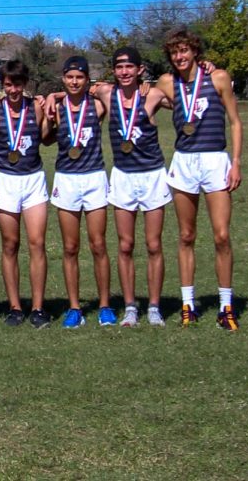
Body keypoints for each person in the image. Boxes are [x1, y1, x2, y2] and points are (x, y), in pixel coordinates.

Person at [155, 27, 243, 330]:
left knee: (221, 235)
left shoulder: (217, 77)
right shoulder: (167, 82)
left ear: (195, 52)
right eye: (174, 52)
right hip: (184, 162)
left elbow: (235, 121)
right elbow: (135, 92)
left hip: (215, 159)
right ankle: (188, 305)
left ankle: (225, 306)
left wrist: (236, 162)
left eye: (185, 50)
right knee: (186, 235)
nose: (180, 56)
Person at [84, 48, 174, 327]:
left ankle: (155, 306)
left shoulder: (154, 94)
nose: (124, 72)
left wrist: (200, 68)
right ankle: (131, 306)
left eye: (129, 67)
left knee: (154, 243)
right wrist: (52, 96)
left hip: (152, 175)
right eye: (119, 67)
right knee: (125, 244)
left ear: (140, 69)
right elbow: (76, 88)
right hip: (123, 176)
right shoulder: (106, 93)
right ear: (114, 71)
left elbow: (181, 95)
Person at [44, 56, 113, 328]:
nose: (74, 82)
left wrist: (56, 93)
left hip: (95, 177)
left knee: (98, 245)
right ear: (63, 77)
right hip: (67, 179)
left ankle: (105, 305)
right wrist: (51, 108)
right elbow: (47, 140)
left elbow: (111, 91)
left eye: (80, 77)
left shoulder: (97, 106)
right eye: (70, 77)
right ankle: (74, 307)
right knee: (70, 247)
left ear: (87, 80)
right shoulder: (57, 109)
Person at [0, 61, 52, 328]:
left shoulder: (35, 108)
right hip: (5, 180)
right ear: (3, 85)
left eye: (18, 84)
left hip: (33, 179)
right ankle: (15, 306)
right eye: (8, 84)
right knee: (10, 244)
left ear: (25, 84)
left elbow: (48, 138)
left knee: (37, 243)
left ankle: (37, 307)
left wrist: (52, 104)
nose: (13, 89)